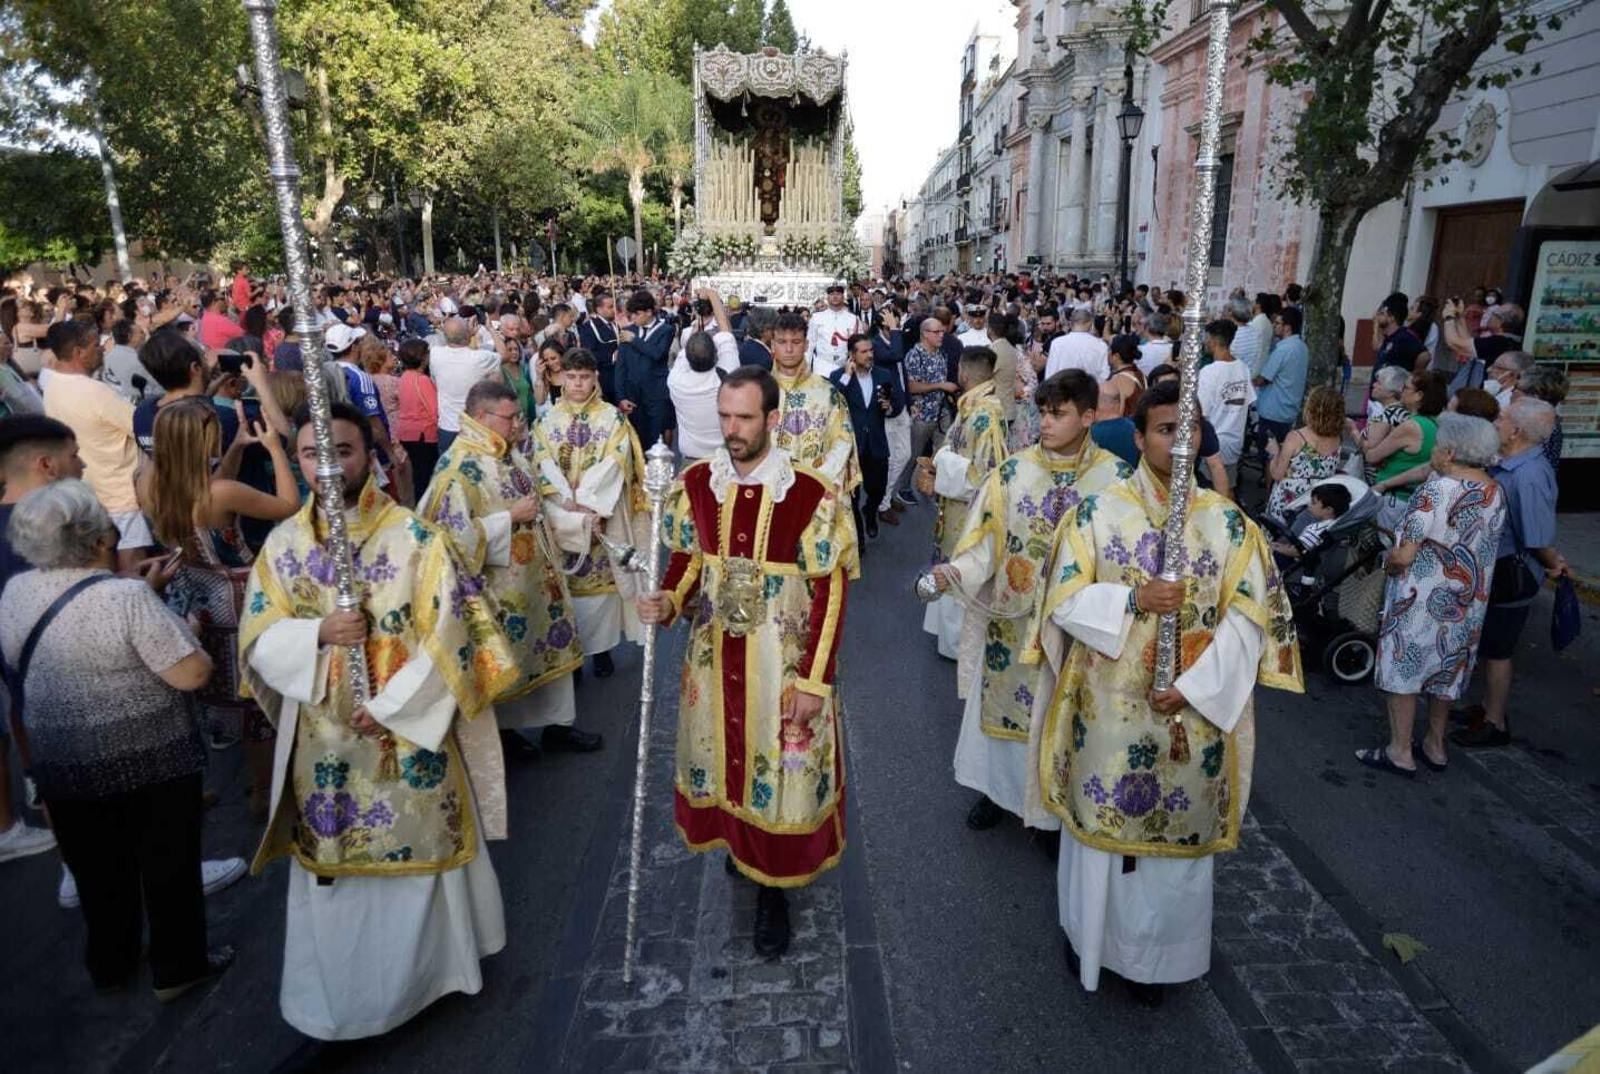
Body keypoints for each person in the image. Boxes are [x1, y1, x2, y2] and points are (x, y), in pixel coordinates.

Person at [238, 402, 519, 1040]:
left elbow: (455, 638)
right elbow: (257, 635)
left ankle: (432, 978)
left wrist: (392, 707)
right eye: (313, 455)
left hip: (407, 737)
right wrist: (317, 633)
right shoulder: (283, 546)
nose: (328, 469)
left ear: (370, 455)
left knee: (424, 849)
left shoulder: (416, 539)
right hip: (326, 743)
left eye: (341, 452)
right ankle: (346, 1002)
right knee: (337, 869)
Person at [1031, 378, 1303, 1007]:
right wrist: (1132, 597)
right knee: (1100, 840)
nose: (1179, 446)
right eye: (1163, 430)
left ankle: (1154, 963)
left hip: (1192, 716)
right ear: (1138, 435)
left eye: (1189, 432)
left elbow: (1250, 620)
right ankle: (1090, 941)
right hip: (1109, 710)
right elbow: (1064, 600)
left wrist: (1194, 687)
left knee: (1169, 859)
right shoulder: (1098, 513)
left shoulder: (1231, 527)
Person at [634, 366, 858, 958]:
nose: (731, 430)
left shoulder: (811, 494)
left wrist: (814, 682)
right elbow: (688, 557)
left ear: (773, 420)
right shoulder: (698, 482)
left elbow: (831, 592)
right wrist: (668, 598)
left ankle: (772, 891)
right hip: (713, 662)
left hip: (778, 670)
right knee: (724, 759)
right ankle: (739, 847)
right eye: (724, 417)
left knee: (776, 772)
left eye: (744, 418)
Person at [0, 480, 237, 998]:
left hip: (64, 762)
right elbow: (192, 674)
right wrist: (190, 627)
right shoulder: (126, 598)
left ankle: (112, 961)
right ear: (99, 540)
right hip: (152, 761)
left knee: (98, 870)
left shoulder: (16, 592)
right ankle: (178, 967)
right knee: (167, 865)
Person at [931, 371, 1131, 832]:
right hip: (1013, 622)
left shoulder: (1115, 481)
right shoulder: (1014, 472)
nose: (1045, 422)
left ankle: (1051, 818)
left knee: (1060, 724)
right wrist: (957, 572)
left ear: (1088, 416)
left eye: (1058, 414)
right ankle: (997, 796)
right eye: (1042, 411)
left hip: (1072, 633)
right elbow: (985, 545)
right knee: (1002, 724)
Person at [137, 396, 301, 815]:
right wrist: (276, 451)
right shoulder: (222, 493)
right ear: (199, 443)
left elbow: (209, 492)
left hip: (198, 596)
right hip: (241, 596)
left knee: (230, 698)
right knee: (257, 706)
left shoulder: (149, 483)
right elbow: (289, 505)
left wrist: (235, 450)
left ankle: (246, 786)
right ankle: (265, 793)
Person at [417, 380, 591, 759]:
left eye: (517, 417)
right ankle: (505, 740)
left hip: (536, 581)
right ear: (481, 416)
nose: (516, 425)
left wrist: (573, 522)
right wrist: (508, 518)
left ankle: (558, 727)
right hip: (498, 589)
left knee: (551, 656)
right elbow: (443, 540)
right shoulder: (458, 468)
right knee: (507, 663)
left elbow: (535, 504)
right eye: (509, 418)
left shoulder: (503, 451)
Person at [1357, 414, 1506, 777]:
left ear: (1451, 452)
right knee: (1446, 670)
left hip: (1420, 600)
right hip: (1467, 601)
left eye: (1438, 446)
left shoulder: (1436, 491)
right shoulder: (1494, 491)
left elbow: (1405, 554)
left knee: (1404, 669)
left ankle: (1399, 750)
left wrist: (1389, 564)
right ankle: (1435, 745)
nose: (1434, 451)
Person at [1451, 398, 1566, 750]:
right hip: (1498, 570)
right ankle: (1485, 708)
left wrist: (1553, 563)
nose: (1496, 421)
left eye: (1502, 418)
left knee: (1499, 651)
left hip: (1511, 575)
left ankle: (1495, 723)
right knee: (1490, 647)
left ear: (1515, 431)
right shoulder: (1515, 464)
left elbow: (1538, 536)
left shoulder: (1528, 475)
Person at [532, 348, 649, 680]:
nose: (578, 384)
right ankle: (572, 656)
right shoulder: (545, 420)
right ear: (561, 378)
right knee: (567, 590)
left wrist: (587, 500)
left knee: (602, 593)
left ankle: (603, 651)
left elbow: (616, 461)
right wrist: (566, 503)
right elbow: (541, 461)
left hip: (601, 514)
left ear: (595, 377)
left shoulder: (612, 418)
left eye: (584, 377)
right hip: (561, 516)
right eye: (571, 377)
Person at [0, 416, 83, 865]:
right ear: (47, 465)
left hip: (31, 710)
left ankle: (75, 865)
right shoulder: (55, 535)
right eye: (74, 456)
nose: (83, 464)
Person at [916, 346, 1009, 661]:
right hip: (954, 508)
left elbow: (989, 476)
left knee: (963, 571)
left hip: (970, 513)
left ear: (963, 373)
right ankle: (950, 639)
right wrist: (936, 468)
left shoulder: (987, 415)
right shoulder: (972, 407)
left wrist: (941, 472)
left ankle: (961, 645)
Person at [40, 320, 150, 571]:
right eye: (95, 344)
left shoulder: (53, 385)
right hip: (121, 492)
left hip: (92, 489)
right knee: (135, 566)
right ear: (78, 352)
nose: (102, 348)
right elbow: (139, 426)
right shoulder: (94, 391)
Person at [769, 311, 861, 498]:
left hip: (816, 490)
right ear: (772, 345)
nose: (788, 349)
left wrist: (816, 481)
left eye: (795, 342)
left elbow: (844, 440)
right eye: (781, 342)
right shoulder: (757, 390)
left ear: (806, 345)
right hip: (768, 489)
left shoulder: (827, 392)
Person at [828, 333, 905, 542]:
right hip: (851, 446)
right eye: (864, 352)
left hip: (877, 444)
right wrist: (846, 376)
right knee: (852, 496)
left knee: (878, 490)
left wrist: (889, 408)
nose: (870, 355)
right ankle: (859, 538)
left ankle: (870, 512)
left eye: (871, 350)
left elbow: (898, 402)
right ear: (852, 355)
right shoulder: (838, 377)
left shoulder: (883, 375)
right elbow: (831, 403)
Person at [1362, 369, 1447, 529]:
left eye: (1406, 387)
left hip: (1393, 499)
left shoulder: (1411, 426)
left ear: (1419, 396)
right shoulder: (1436, 423)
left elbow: (1371, 456)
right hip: (1412, 498)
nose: (1401, 390)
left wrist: (1368, 435)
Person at [666, 290, 742, 462]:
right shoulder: (727, 377)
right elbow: (726, 333)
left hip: (691, 461)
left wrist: (696, 326)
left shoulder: (675, 380)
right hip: (724, 459)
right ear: (716, 355)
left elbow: (690, 350)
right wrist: (713, 296)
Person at [1264, 386, 1344, 522]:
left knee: (1276, 541)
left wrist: (1275, 453)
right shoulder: (1338, 438)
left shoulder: (1296, 437)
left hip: (1289, 504)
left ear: (1311, 409)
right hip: (1317, 505)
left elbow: (1277, 474)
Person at [900, 316, 958, 503]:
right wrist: (941, 385)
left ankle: (937, 488)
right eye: (937, 332)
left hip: (941, 412)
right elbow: (912, 387)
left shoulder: (941, 353)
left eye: (943, 331)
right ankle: (902, 488)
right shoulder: (914, 355)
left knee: (944, 453)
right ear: (925, 333)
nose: (942, 335)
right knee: (914, 454)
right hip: (922, 414)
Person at [1194, 319, 1255, 492]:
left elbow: (1200, 413)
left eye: (1207, 338)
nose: (1205, 342)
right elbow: (1247, 403)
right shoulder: (1243, 368)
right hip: (1235, 445)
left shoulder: (1208, 372)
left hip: (1212, 446)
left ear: (1213, 341)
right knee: (1228, 489)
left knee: (1211, 494)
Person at [430, 316, 501, 456]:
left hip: (447, 428)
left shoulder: (434, 353)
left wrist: (468, 335)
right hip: (474, 428)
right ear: (467, 335)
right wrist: (491, 330)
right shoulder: (480, 358)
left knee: (449, 473)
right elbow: (503, 354)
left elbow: (434, 381)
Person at [615, 289, 676, 448]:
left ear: (649, 312)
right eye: (631, 315)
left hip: (656, 394)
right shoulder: (628, 331)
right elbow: (621, 366)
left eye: (637, 314)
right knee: (636, 440)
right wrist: (621, 396)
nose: (633, 318)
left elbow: (657, 354)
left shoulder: (666, 330)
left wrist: (634, 340)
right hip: (633, 395)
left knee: (657, 439)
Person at [1254, 306, 1310, 449]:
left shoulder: (1283, 349)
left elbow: (1263, 379)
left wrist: (1247, 380)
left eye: (1278, 323)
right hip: (1288, 411)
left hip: (1274, 413)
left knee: (1270, 458)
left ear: (1287, 328)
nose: (1274, 326)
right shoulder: (1302, 347)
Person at [1269, 482, 1352, 565]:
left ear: (1328, 509)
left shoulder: (1316, 530)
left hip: (1289, 561)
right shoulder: (1329, 526)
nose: (1309, 504)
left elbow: (1296, 551)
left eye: (1313, 502)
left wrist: (1274, 548)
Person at [393, 339, 440, 485]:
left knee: (418, 476)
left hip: (406, 433)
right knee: (426, 476)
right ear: (423, 357)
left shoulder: (403, 377)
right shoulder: (422, 380)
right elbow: (434, 410)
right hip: (423, 434)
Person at [807, 283, 863, 378]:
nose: (835, 296)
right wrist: (807, 368)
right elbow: (810, 344)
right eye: (831, 294)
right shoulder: (817, 317)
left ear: (843, 296)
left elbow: (860, 345)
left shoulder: (853, 319)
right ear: (827, 297)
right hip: (822, 369)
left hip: (845, 369)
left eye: (838, 293)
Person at [576, 289, 621, 403]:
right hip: (604, 382)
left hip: (620, 379)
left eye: (614, 306)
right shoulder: (589, 327)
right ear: (599, 309)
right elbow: (588, 355)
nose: (614, 310)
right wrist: (612, 357)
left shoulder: (615, 325)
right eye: (610, 307)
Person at [1045, 307, 1110, 382]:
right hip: (1091, 391)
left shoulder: (1057, 343)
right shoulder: (1101, 345)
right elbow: (1105, 375)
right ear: (1091, 324)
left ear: (1071, 323)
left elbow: (1050, 374)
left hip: (1063, 391)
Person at [1372, 293, 1429, 375]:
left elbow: (1425, 356)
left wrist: (1413, 376)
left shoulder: (1403, 336)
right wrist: (1376, 325)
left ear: (1392, 318)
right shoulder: (1389, 336)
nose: (1377, 315)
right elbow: (1378, 348)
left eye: (1381, 313)